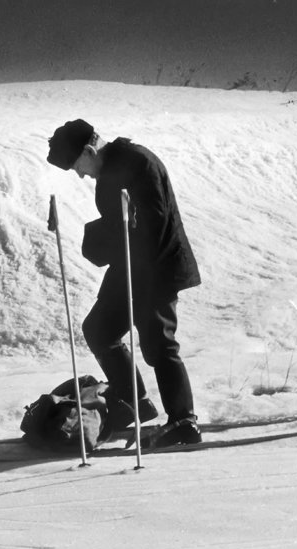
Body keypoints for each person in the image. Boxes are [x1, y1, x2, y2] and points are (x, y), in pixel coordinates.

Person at [46, 118, 203, 446]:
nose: (80, 174)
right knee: (99, 329)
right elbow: (121, 226)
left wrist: (98, 238)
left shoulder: (138, 163)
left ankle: (184, 421)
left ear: (90, 150)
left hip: (157, 267)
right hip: (129, 268)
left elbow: (152, 224)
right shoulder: (111, 171)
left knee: (159, 343)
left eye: (77, 165)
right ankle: (136, 402)